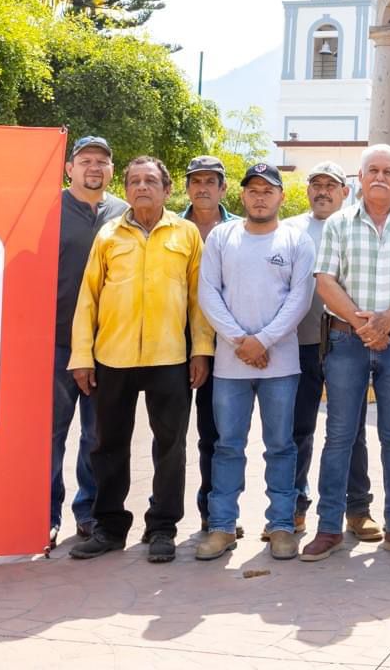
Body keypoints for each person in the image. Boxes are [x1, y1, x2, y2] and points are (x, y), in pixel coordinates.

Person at [68, 156, 213, 563]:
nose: (142, 187)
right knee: (107, 444)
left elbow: (198, 300)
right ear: (126, 190)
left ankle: (162, 527)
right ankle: (109, 527)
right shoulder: (109, 235)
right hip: (112, 356)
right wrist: (83, 356)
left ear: (168, 190)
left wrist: (201, 350)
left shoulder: (185, 234)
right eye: (134, 181)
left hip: (170, 356)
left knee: (170, 446)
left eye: (151, 181)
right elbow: (88, 299)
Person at [302, 144, 390, 562]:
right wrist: (366, 325)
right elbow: (325, 281)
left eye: (388, 171)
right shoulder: (339, 224)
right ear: (359, 179)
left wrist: (387, 321)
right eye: (372, 170)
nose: (380, 177)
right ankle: (328, 528)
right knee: (340, 435)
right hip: (346, 342)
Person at [195, 164, 315, 561]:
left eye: (269, 190)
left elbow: (299, 299)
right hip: (230, 366)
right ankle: (222, 527)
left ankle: (282, 525)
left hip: (280, 365)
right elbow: (209, 293)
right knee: (227, 446)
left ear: (281, 197)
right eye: (253, 190)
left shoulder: (296, 241)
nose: (260, 196)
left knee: (281, 446)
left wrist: (261, 341)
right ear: (242, 196)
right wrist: (239, 341)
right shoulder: (221, 238)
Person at [285, 162, 376, 540]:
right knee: (298, 428)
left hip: (347, 340)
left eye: (331, 185)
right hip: (301, 343)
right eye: (316, 184)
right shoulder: (290, 230)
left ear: (345, 191)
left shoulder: (361, 227)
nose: (323, 191)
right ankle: (293, 506)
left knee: (351, 429)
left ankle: (358, 509)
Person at [51, 135, 127, 545]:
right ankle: (44, 514)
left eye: (101, 160)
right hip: (56, 342)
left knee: (98, 437)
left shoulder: (123, 214)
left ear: (111, 170)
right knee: (52, 434)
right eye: (84, 160)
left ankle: (90, 512)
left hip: (107, 345)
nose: (93, 167)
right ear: (69, 168)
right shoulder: (48, 208)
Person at [180, 155, 237, 534]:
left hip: (226, 344)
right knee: (169, 435)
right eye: (195, 181)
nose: (202, 187)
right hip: (173, 342)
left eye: (210, 181)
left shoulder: (239, 230)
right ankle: (163, 517)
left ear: (223, 188)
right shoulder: (171, 227)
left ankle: (214, 512)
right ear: (186, 188)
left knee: (215, 434)